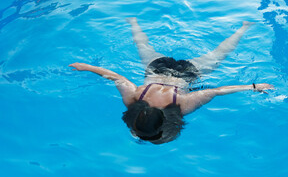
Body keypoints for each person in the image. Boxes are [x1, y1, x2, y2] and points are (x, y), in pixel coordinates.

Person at [69, 18, 274, 144]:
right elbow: (116, 77)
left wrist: (253, 87)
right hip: (158, 68)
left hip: (184, 75)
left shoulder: (181, 106)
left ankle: (244, 28)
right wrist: (85, 66)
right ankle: (243, 28)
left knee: (218, 54)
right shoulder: (134, 99)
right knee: (144, 46)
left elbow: (216, 91)